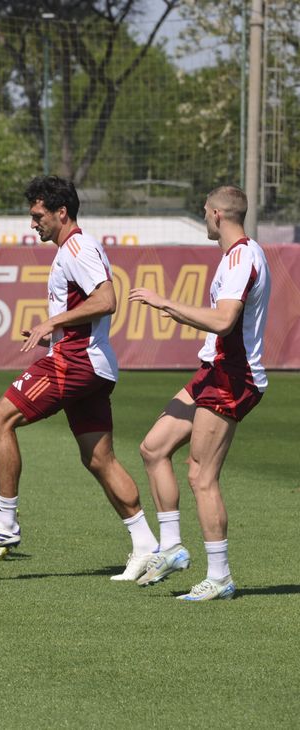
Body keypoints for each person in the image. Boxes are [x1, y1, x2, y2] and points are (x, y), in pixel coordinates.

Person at [0, 175, 159, 581]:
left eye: (38, 215)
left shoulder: (77, 248)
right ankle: (147, 546)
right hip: (92, 363)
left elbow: (107, 300)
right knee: (99, 459)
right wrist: (57, 329)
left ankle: (6, 521)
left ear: (61, 212)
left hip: (76, 361)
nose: (33, 223)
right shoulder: (74, 249)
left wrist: (53, 322)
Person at [129, 185, 270, 600]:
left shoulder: (242, 257)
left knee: (201, 475)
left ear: (216, 215)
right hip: (214, 370)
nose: (204, 217)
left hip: (233, 376)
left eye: (205, 211)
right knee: (153, 448)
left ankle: (220, 577)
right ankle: (172, 548)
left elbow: (225, 321)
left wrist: (165, 304)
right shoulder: (233, 256)